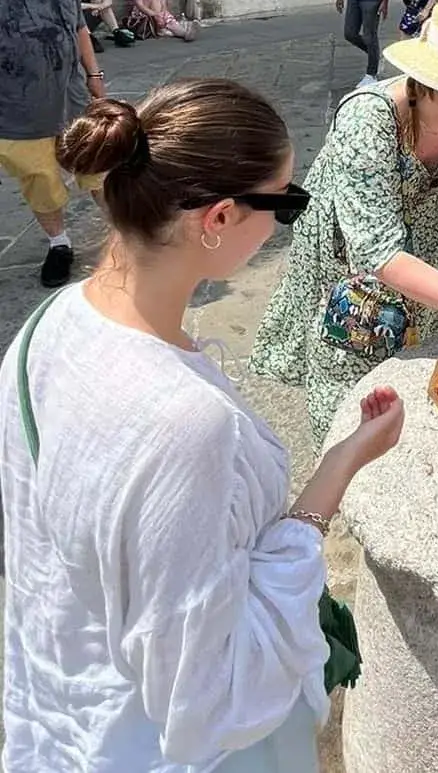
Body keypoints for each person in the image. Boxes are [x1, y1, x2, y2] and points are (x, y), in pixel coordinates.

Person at [0, 78, 406, 773]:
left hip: (58, 711)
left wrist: (343, 454)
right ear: (217, 219)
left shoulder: (45, 328)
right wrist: (320, 499)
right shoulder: (187, 422)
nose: (289, 219)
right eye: (284, 203)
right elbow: (216, 695)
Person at [250, 1, 438, 447]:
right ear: (432, 81)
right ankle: (342, 476)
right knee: (352, 367)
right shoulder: (368, 118)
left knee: (426, 357)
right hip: (351, 252)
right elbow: (375, 250)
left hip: (423, 235)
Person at [0, 0, 106, 288]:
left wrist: (94, 76)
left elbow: (79, 27)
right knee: (41, 184)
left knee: (101, 171)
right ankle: (59, 244)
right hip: (15, 115)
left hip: (73, 100)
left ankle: (126, 235)